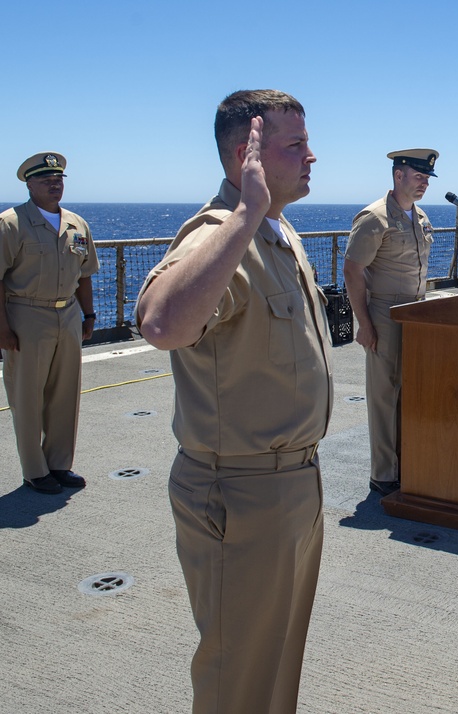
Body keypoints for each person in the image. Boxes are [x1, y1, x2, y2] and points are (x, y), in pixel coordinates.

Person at [135, 90, 333, 713]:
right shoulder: (222, 232)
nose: (312, 156)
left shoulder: (279, 232)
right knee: (237, 681)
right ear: (244, 153)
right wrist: (246, 210)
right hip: (240, 497)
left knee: (274, 672)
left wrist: (259, 214)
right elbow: (162, 324)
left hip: (294, 487)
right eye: (294, 145)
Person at [0, 152, 98, 495]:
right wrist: (3, 329)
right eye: (45, 179)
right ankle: (34, 470)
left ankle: (59, 463)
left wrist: (88, 315)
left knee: (64, 394)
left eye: (58, 180)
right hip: (26, 315)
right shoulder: (11, 224)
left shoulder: (76, 224)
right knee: (26, 395)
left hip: (68, 314)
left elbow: (84, 274)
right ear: (29, 184)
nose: (54, 184)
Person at [344, 148, 438, 495]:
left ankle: (409, 464)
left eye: (427, 178)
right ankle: (384, 474)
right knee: (385, 396)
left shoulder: (420, 217)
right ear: (398, 175)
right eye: (418, 177)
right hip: (384, 314)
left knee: (412, 394)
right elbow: (352, 271)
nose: (424, 183)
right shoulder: (374, 218)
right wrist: (365, 324)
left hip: (418, 314)